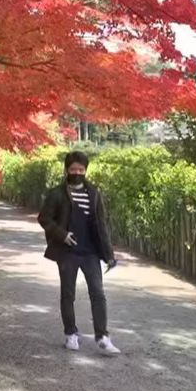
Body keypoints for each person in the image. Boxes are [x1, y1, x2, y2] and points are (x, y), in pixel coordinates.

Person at [38, 151, 120, 355]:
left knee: (98, 294)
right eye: (73, 169)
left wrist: (108, 254)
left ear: (86, 171)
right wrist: (62, 235)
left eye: (81, 170)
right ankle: (71, 334)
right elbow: (44, 218)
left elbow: (101, 225)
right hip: (67, 252)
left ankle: (102, 337)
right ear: (67, 170)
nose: (77, 173)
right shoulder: (56, 193)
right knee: (68, 294)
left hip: (90, 252)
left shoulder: (94, 193)